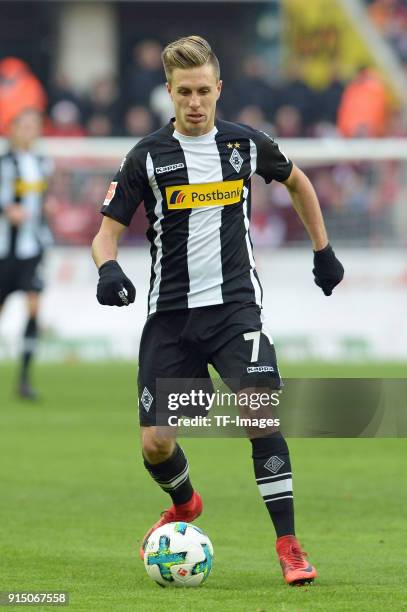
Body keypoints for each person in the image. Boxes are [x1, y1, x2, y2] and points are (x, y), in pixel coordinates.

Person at [92, 35, 344, 585]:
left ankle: (290, 545)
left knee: (260, 416)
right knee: (157, 443)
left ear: (219, 89)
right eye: (184, 92)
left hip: (235, 312)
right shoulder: (146, 157)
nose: (195, 102)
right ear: (169, 92)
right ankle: (184, 503)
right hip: (172, 320)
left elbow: (298, 182)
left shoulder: (245, 145)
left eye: (204, 90)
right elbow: (105, 235)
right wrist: (108, 269)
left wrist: (322, 251)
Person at [0, 109, 53, 399]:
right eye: (25, 126)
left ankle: (23, 379)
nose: (30, 131)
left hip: (33, 249)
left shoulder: (43, 163)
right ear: (13, 130)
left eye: (34, 126)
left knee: (34, 309)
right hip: (5, 252)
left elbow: (43, 200)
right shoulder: (4, 164)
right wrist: (8, 210)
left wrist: (46, 212)